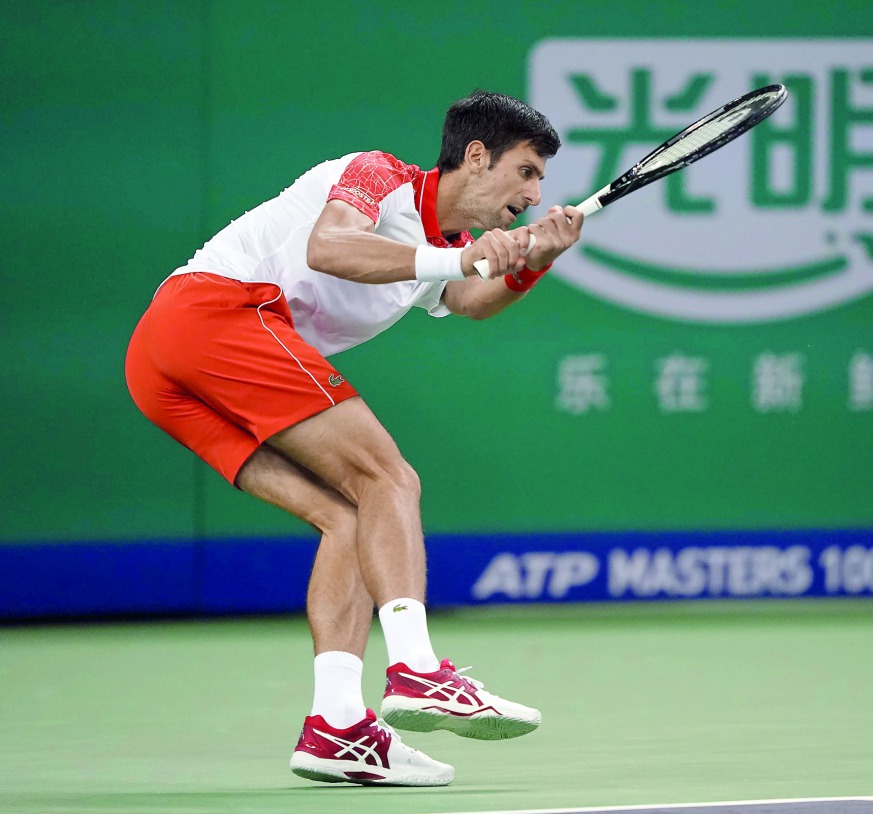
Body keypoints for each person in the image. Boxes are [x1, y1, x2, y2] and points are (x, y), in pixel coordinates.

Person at [125, 90, 584, 787]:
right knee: (389, 479)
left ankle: (336, 727)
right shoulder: (378, 176)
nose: (534, 192)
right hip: (212, 313)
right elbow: (330, 246)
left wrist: (532, 262)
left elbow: (468, 301)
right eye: (525, 171)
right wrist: (461, 263)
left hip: (164, 367)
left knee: (347, 518)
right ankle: (418, 670)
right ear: (477, 156)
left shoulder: (450, 246)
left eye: (542, 181)